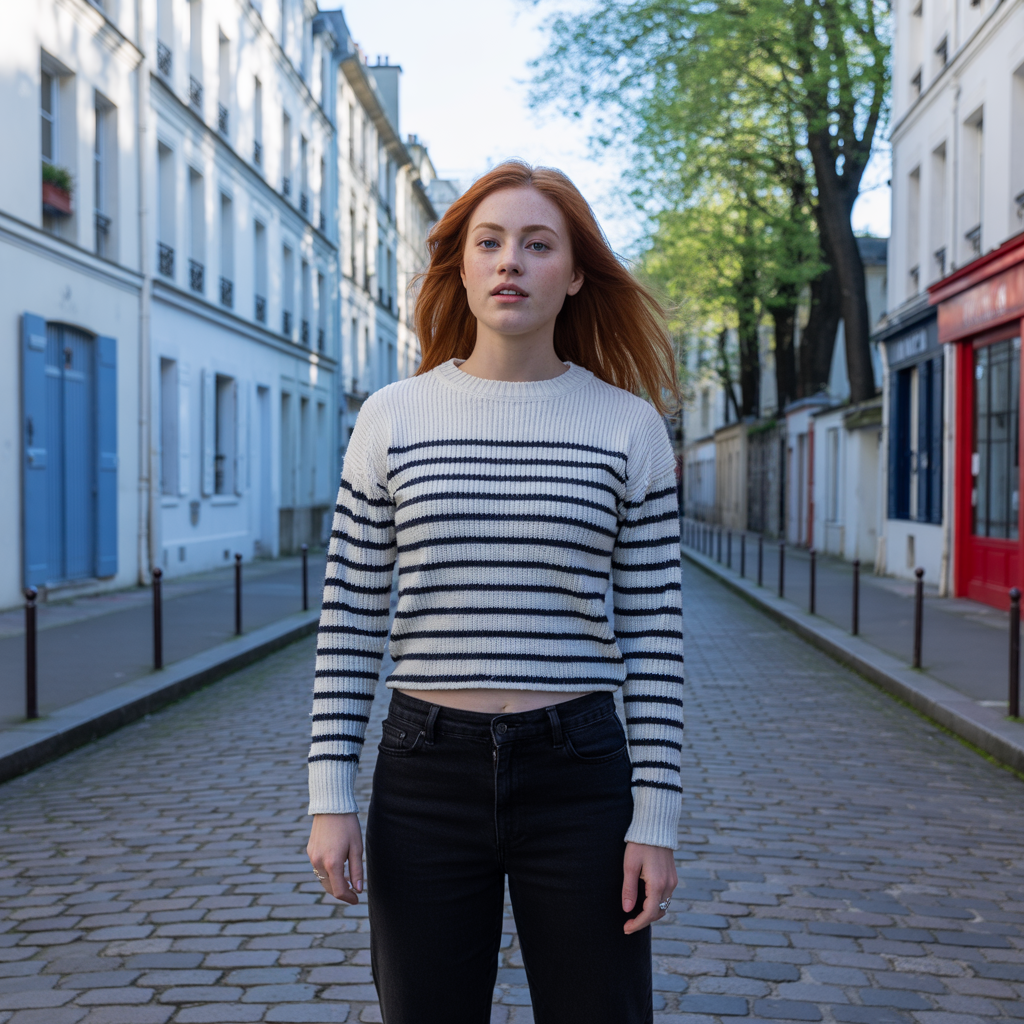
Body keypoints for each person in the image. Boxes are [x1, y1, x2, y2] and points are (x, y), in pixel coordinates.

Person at [306, 160, 684, 1024]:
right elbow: (350, 620)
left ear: (576, 273)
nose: (510, 260)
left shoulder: (629, 429)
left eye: (537, 243)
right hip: (424, 774)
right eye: (490, 242)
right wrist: (332, 796)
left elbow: (657, 635)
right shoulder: (392, 418)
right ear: (463, 267)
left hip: (581, 775)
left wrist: (655, 817)